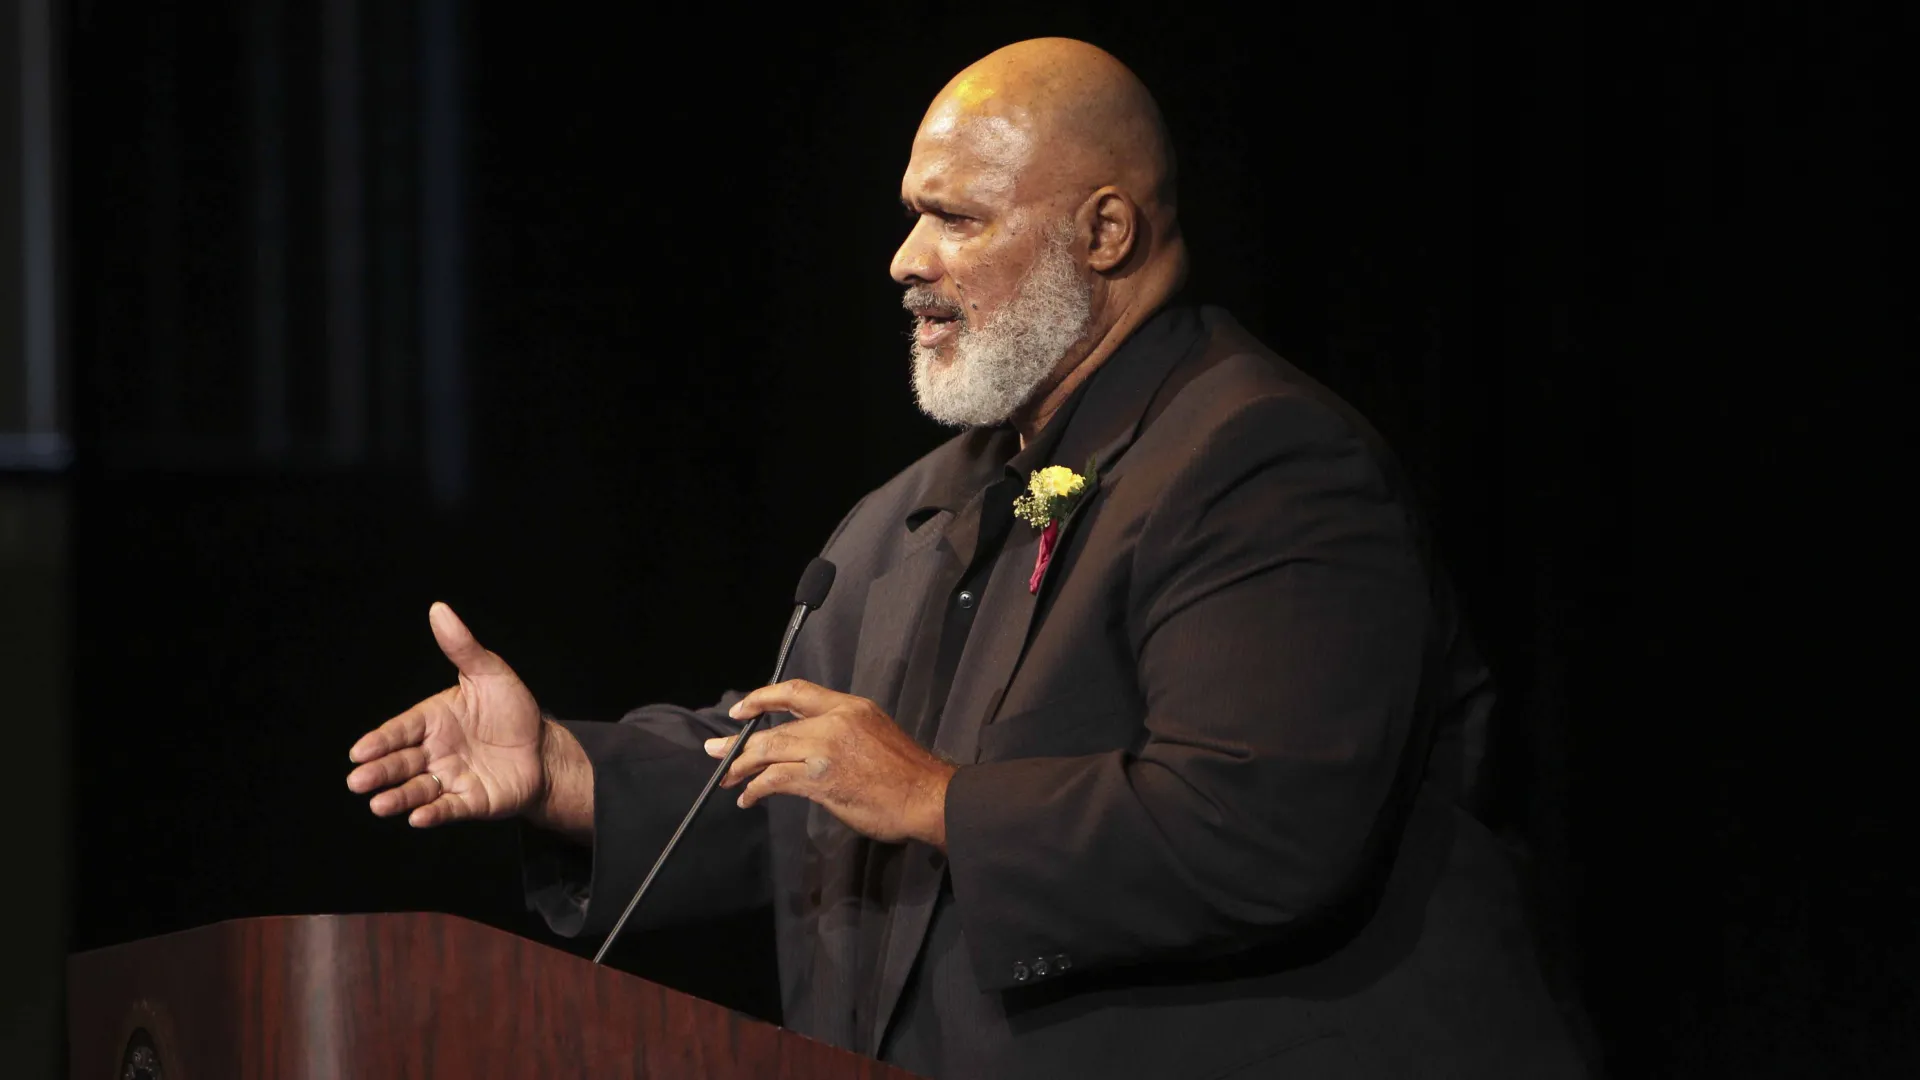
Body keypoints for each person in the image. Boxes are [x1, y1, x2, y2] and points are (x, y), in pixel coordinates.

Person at [347, 37, 1583, 1079]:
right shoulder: (912, 512)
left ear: (1105, 231)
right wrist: (567, 772)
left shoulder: (1265, 465)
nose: (906, 259)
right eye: (910, 216)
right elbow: (813, 778)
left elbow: (1256, 828)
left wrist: (936, 800)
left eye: (957, 217)